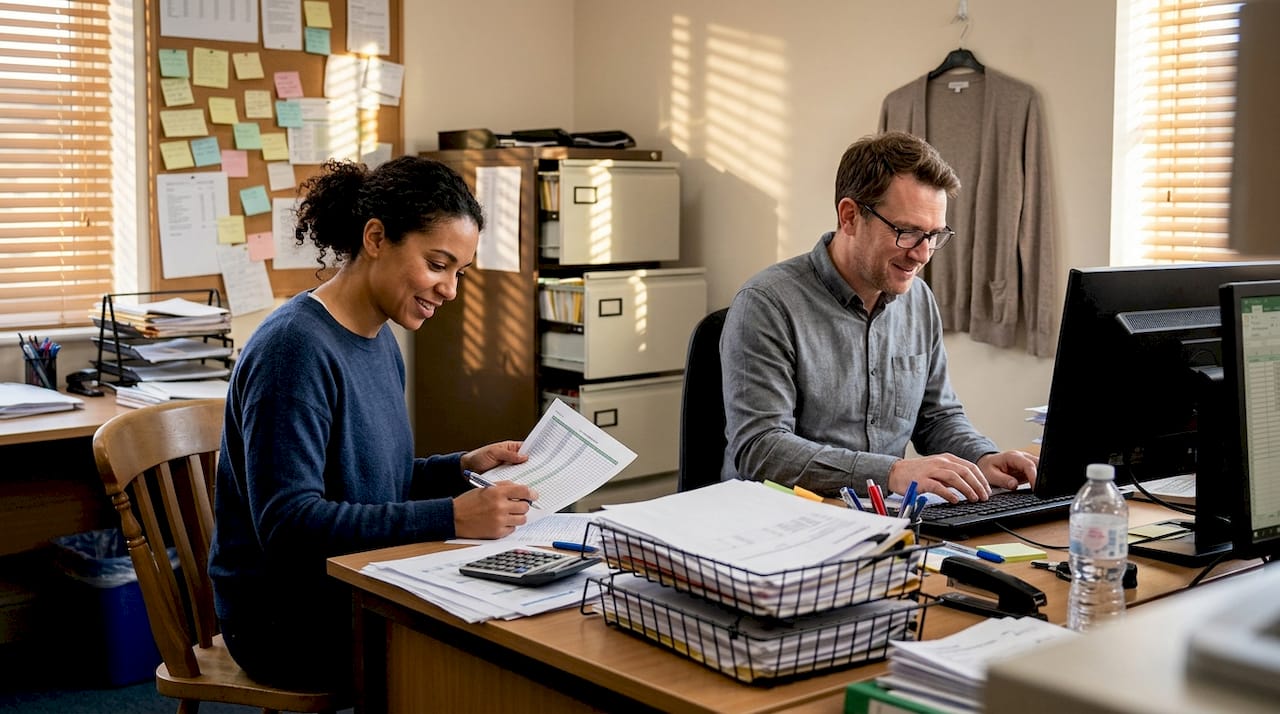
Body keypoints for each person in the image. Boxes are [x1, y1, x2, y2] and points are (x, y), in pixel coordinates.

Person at [208, 156, 538, 692]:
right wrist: (450, 518)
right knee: (488, 656)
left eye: (460, 272)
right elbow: (289, 526)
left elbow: (367, 480)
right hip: (288, 621)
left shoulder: (381, 339)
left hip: (359, 584)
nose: (450, 290)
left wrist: (459, 470)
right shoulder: (293, 348)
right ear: (376, 238)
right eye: (437, 264)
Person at [720, 131, 1037, 503]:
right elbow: (761, 450)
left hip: (880, 519)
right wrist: (890, 472)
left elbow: (937, 416)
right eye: (908, 232)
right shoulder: (767, 303)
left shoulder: (918, 298)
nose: (922, 254)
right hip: (779, 523)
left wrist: (982, 458)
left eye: (934, 235)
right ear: (850, 216)